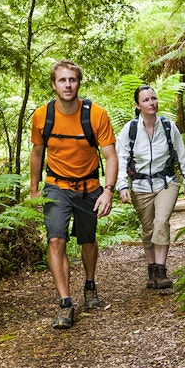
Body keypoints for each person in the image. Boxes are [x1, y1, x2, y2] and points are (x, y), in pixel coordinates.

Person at [30, 59, 118, 329]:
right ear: (53, 84)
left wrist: (108, 191)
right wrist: (34, 189)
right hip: (56, 187)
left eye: (72, 80)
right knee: (56, 240)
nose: (68, 85)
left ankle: (89, 283)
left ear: (79, 82)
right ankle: (65, 303)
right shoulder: (42, 116)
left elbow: (110, 155)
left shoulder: (96, 114)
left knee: (88, 240)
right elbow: (37, 153)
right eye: (62, 80)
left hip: (89, 186)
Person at [115, 85, 185, 290]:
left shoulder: (167, 126)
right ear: (137, 105)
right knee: (148, 229)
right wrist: (122, 185)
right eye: (146, 100)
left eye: (154, 98)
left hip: (166, 182)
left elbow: (180, 151)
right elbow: (121, 159)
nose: (152, 103)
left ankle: (161, 270)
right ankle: (151, 269)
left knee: (161, 222)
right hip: (140, 186)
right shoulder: (130, 130)